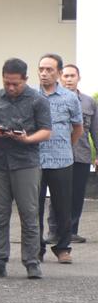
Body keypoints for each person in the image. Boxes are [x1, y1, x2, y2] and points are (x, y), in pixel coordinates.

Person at [0, 57, 53, 279]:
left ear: (25, 79)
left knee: (29, 215)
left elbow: (46, 131)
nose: (11, 87)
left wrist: (27, 139)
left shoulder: (38, 100)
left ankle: (31, 262)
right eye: (7, 83)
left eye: (16, 84)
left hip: (26, 163)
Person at [35, 53, 83, 263]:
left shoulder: (69, 97)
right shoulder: (30, 96)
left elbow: (78, 127)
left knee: (63, 206)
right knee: (33, 207)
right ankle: (36, 248)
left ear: (59, 73)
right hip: (34, 161)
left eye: (49, 70)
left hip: (62, 160)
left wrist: (65, 146)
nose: (44, 73)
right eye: (41, 69)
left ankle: (63, 248)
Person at [56, 63, 98, 242]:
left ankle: (72, 231)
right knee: (58, 194)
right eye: (65, 76)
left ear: (78, 78)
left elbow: (95, 130)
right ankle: (55, 231)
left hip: (81, 155)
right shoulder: (52, 99)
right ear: (60, 78)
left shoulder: (89, 102)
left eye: (72, 76)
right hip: (57, 155)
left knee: (77, 194)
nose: (69, 79)